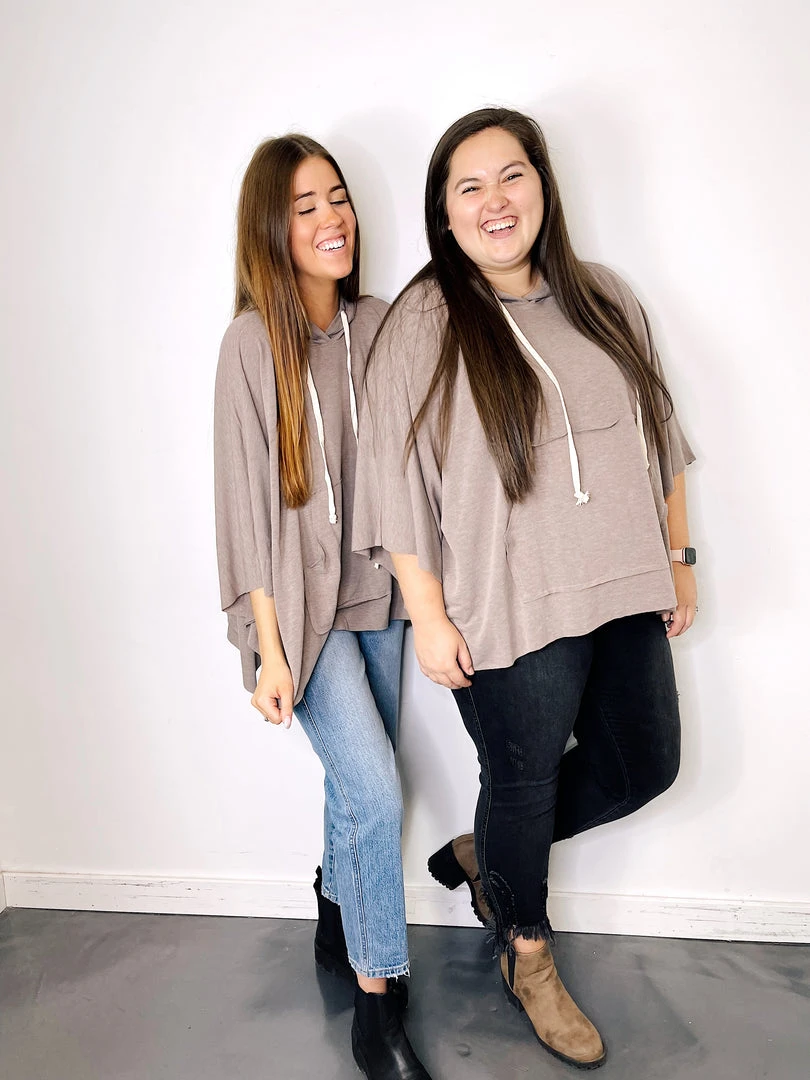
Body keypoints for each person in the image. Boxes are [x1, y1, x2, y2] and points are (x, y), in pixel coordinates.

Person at [353, 107, 697, 1070]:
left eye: (512, 175)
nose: (495, 200)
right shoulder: (425, 321)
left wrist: (678, 557)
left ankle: (490, 860)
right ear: (445, 212)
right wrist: (427, 614)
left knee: (645, 766)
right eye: (469, 186)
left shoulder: (604, 297)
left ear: (543, 183)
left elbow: (659, 437)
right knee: (524, 782)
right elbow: (394, 479)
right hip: (508, 603)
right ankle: (527, 953)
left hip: (623, 585)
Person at [214, 134, 433, 1080]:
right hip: (297, 614)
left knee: (359, 786)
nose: (332, 217)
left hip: (379, 593)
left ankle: (335, 904)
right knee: (378, 792)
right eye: (305, 206)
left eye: (337, 197)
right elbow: (244, 507)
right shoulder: (248, 344)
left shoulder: (377, 324)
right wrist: (268, 651)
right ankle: (379, 1002)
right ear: (272, 227)